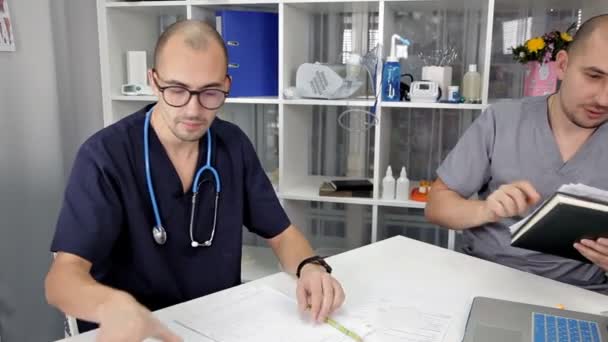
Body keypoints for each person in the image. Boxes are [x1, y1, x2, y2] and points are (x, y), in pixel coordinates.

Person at [45, 20, 345, 341]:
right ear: (153, 81)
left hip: (216, 324)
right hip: (135, 332)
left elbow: (282, 235)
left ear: (227, 85)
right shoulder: (105, 156)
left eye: (210, 92)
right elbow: (62, 278)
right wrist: (110, 305)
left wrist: (310, 267)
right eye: (176, 90)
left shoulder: (233, 146)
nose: (193, 109)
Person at [425, 14, 608, 293]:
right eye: (594, 76)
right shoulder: (503, 120)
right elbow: (437, 206)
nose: (604, 99)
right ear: (562, 64)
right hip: (487, 279)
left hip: (583, 293)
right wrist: (487, 209)